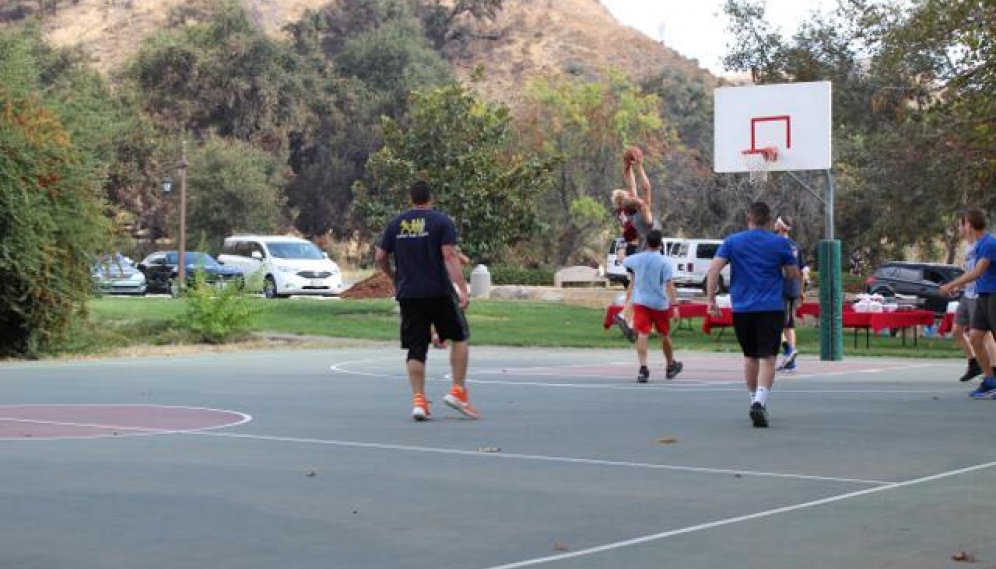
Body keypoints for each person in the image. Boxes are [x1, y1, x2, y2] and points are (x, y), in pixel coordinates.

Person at [375, 180, 478, 421]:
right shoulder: (442, 221)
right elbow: (449, 255)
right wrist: (463, 289)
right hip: (439, 291)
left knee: (416, 347)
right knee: (459, 337)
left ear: (410, 198)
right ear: (431, 198)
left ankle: (419, 402)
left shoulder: (396, 223)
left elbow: (380, 256)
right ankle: (457, 391)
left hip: (409, 293)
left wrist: (394, 276)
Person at [706, 202, 800, 428]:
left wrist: (711, 300)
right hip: (770, 307)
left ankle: (752, 401)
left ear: (748, 217)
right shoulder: (780, 243)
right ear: (769, 221)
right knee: (768, 356)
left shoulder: (732, 241)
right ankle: (760, 401)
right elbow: (792, 273)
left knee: (749, 355)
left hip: (742, 307)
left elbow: (713, 269)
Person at [940, 208, 996, 398]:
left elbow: (978, 271)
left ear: (969, 225)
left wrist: (951, 284)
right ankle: (990, 382)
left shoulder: (989, 243)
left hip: (993, 296)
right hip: (982, 296)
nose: (961, 227)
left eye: (962, 223)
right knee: (975, 339)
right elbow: (973, 273)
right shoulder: (979, 244)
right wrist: (958, 286)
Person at [623, 229, 683, 383]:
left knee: (643, 334)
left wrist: (625, 247)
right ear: (660, 244)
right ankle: (670, 366)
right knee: (664, 334)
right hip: (659, 304)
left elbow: (624, 260)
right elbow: (669, 284)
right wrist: (675, 305)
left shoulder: (638, 259)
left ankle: (643, 369)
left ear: (646, 243)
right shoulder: (664, 262)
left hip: (641, 302)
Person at [611, 148, 656, 341]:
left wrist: (627, 166)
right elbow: (646, 187)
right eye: (628, 194)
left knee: (636, 285)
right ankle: (624, 316)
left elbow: (630, 183)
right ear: (627, 199)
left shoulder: (623, 210)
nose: (630, 192)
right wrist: (639, 166)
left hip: (632, 249)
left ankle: (632, 322)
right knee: (639, 285)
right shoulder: (640, 210)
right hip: (640, 250)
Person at [773, 215, 809, 372]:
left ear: (781, 227)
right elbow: (804, 271)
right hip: (794, 289)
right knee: (789, 324)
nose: (774, 224)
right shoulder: (796, 246)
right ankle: (791, 362)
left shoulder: (775, 244)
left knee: (773, 324)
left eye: (776, 222)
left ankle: (789, 351)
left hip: (780, 288)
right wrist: (802, 291)